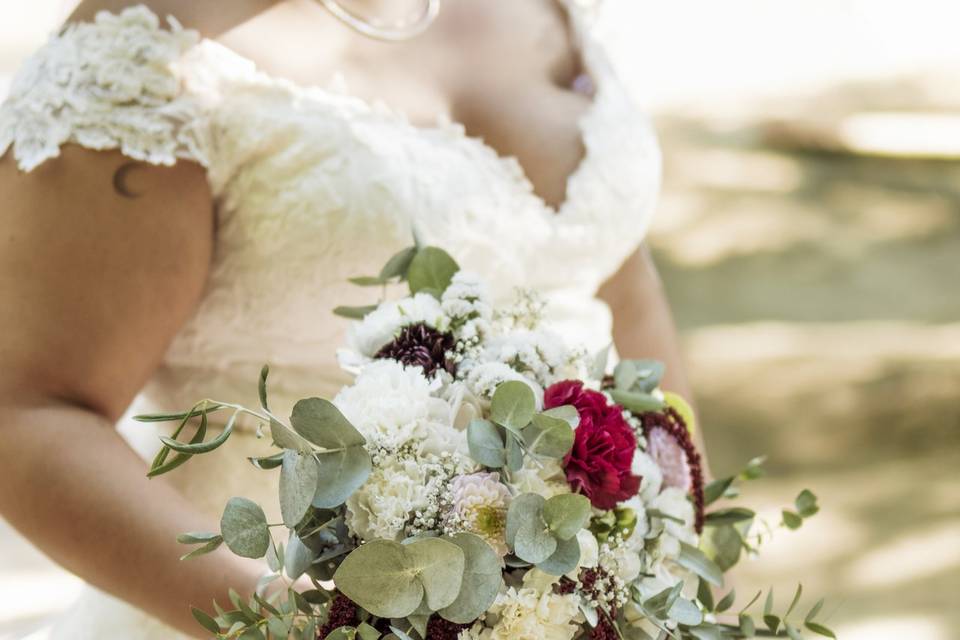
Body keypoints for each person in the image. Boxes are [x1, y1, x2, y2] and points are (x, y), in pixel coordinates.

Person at [0, 0, 695, 637]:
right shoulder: (156, 45)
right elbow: (28, 408)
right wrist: (300, 623)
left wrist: (680, 559)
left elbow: (613, 287)